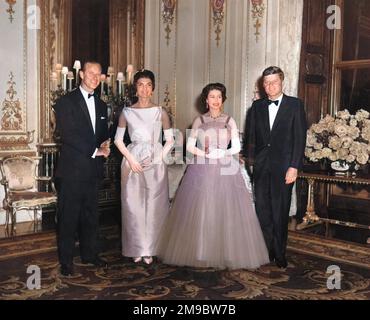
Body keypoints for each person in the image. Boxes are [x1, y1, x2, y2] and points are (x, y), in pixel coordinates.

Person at [156, 83, 269, 270]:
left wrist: (221, 153)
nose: (215, 100)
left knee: (226, 208)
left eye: (218, 96)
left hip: (226, 168)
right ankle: (202, 251)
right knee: (204, 208)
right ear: (206, 100)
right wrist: (206, 154)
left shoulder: (230, 120)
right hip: (202, 168)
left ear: (223, 99)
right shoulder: (199, 121)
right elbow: (190, 147)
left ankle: (227, 251)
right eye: (212, 97)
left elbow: (236, 147)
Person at [242, 66, 307, 268]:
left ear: (282, 83)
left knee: (280, 211)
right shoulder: (256, 107)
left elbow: (299, 139)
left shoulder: (295, 105)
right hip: (261, 167)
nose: (270, 86)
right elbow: (250, 138)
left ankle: (280, 253)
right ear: (263, 85)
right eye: (267, 83)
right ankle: (266, 251)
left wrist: (294, 167)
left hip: (284, 167)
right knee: (263, 211)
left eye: (274, 82)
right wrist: (251, 164)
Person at [54, 61, 111, 276]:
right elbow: (67, 134)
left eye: (99, 74)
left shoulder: (103, 105)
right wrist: (95, 150)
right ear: (81, 74)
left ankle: (90, 254)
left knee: (90, 216)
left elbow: (103, 133)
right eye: (91, 73)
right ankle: (66, 262)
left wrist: (105, 145)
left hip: (92, 171)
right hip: (71, 172)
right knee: (68, 217)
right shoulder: (65, 102)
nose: (95, 77)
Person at [114, 69, 174, 265]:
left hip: (155, 162)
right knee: (133, 206)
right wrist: (131, 160)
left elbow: (170, 140)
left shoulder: (160, 112)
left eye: (148, 85)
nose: (145, 89)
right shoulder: (126, 112)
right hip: (133, 162)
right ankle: (136, 248)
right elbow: (118, 140)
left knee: (155, 206)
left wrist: (158, 158)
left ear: (153, 88)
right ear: (136, 88)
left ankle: (151, 248)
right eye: (141, 84)